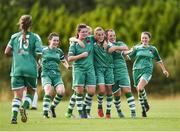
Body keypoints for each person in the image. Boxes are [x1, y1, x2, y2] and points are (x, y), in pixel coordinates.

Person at [4, 15, 42, 124]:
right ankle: (24, 108)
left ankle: (14, 118)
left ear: (20, 24)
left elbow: (6, 52)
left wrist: (17, 54)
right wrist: (36, 62)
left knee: (17, 96)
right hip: (30, 69)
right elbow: (39, 52)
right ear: (30, 25)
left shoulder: (14, 36)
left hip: (17, 70)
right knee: (30, 92)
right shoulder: (35, 37)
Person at [125, 31, 169, 117]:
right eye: (143, 38)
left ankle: (146, 103)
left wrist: (164, 70)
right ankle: (143, 110)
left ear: (149, 39)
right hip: (136, 70)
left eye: (146, 38)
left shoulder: (153, 49)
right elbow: (128, 58)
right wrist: (128, 51)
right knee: (139, 90)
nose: (144, 39)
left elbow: (159, 60)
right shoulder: (137, 48)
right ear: (141, 39)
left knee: (140, 87)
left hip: (147, 71)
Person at [106, 29, 136, 118]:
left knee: (127, 90)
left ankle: (133, 112)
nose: (112, 37)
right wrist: (115, 48)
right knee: (117, 94)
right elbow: (110, 50)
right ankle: (119, 111)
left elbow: (125, 48)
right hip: (111, 71)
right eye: (110, 36)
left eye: (114, 35)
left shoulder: (119, 43)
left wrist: (117, 48)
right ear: (106, 37)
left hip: (122, 70)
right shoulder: (105, 45)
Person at [68, 23, 96, 118]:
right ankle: (81, 114)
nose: (85, 33)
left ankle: (84, 107)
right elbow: (70, 58)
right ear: (78, 32)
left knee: (91, 91)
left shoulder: (90, 40)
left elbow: (100, 36)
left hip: (90, 69)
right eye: (83, 32)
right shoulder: (74, 44)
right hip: (78, 69)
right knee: (79, 92)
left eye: (86, 32)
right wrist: (81, 55)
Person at [41, 32, 70, 118]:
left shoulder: (59, 51)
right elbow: (38, 60)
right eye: (54, 40)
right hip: (46, 74)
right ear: (49, 40)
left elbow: (63, 60)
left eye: (57, 40)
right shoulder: (43, 50)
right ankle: (45, 113)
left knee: (61, 92)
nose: (56, 42)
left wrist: (67, 66)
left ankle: (52, 108)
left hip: (56, 75)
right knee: (48, 91)